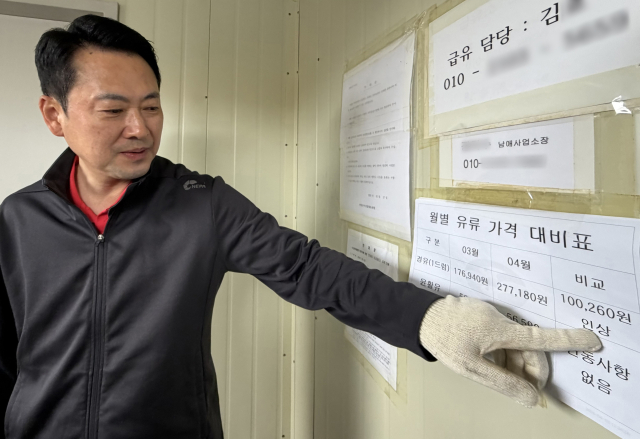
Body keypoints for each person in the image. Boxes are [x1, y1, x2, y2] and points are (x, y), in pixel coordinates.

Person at [0, 15, 601, 439]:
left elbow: (308, 268)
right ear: (55, 114)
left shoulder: (201, 204)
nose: (140, 128)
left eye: (152, 105)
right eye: (113, 110)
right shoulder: (17, 220)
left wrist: (430, 318)